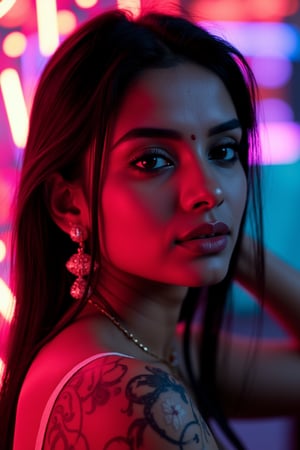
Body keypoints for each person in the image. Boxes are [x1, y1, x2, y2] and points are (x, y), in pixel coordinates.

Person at [1, 8, 300, 450]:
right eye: (153, 161)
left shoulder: (168, 352)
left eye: (223, 150)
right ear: (70, 204)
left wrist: (228, 236)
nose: (209, 190)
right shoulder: (126, 394)